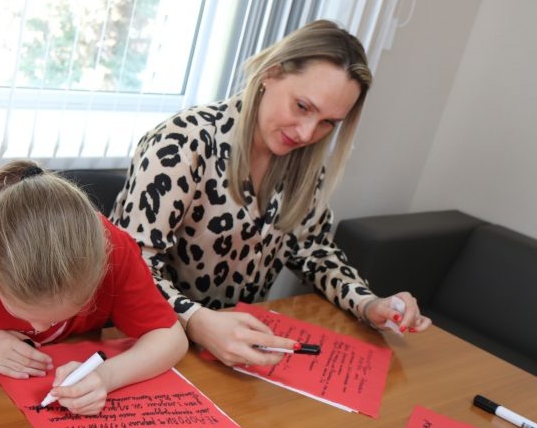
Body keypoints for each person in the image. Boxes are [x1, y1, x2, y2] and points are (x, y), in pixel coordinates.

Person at [110, 20, 431, 369]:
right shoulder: (182, 142)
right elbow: (132, 267)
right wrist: (198, 322)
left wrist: (369, 304)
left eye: (328, 123)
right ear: (271, 74)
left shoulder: (304, 164)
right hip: (149, 343)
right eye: (303, 107)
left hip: (240, 352)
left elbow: (312, 249)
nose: (308, 133)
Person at [0, 160, 188, 416]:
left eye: (68, 311)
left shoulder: (111, 249)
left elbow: (171, 338)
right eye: (25, 312)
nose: (43, 327)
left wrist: (106, 376)